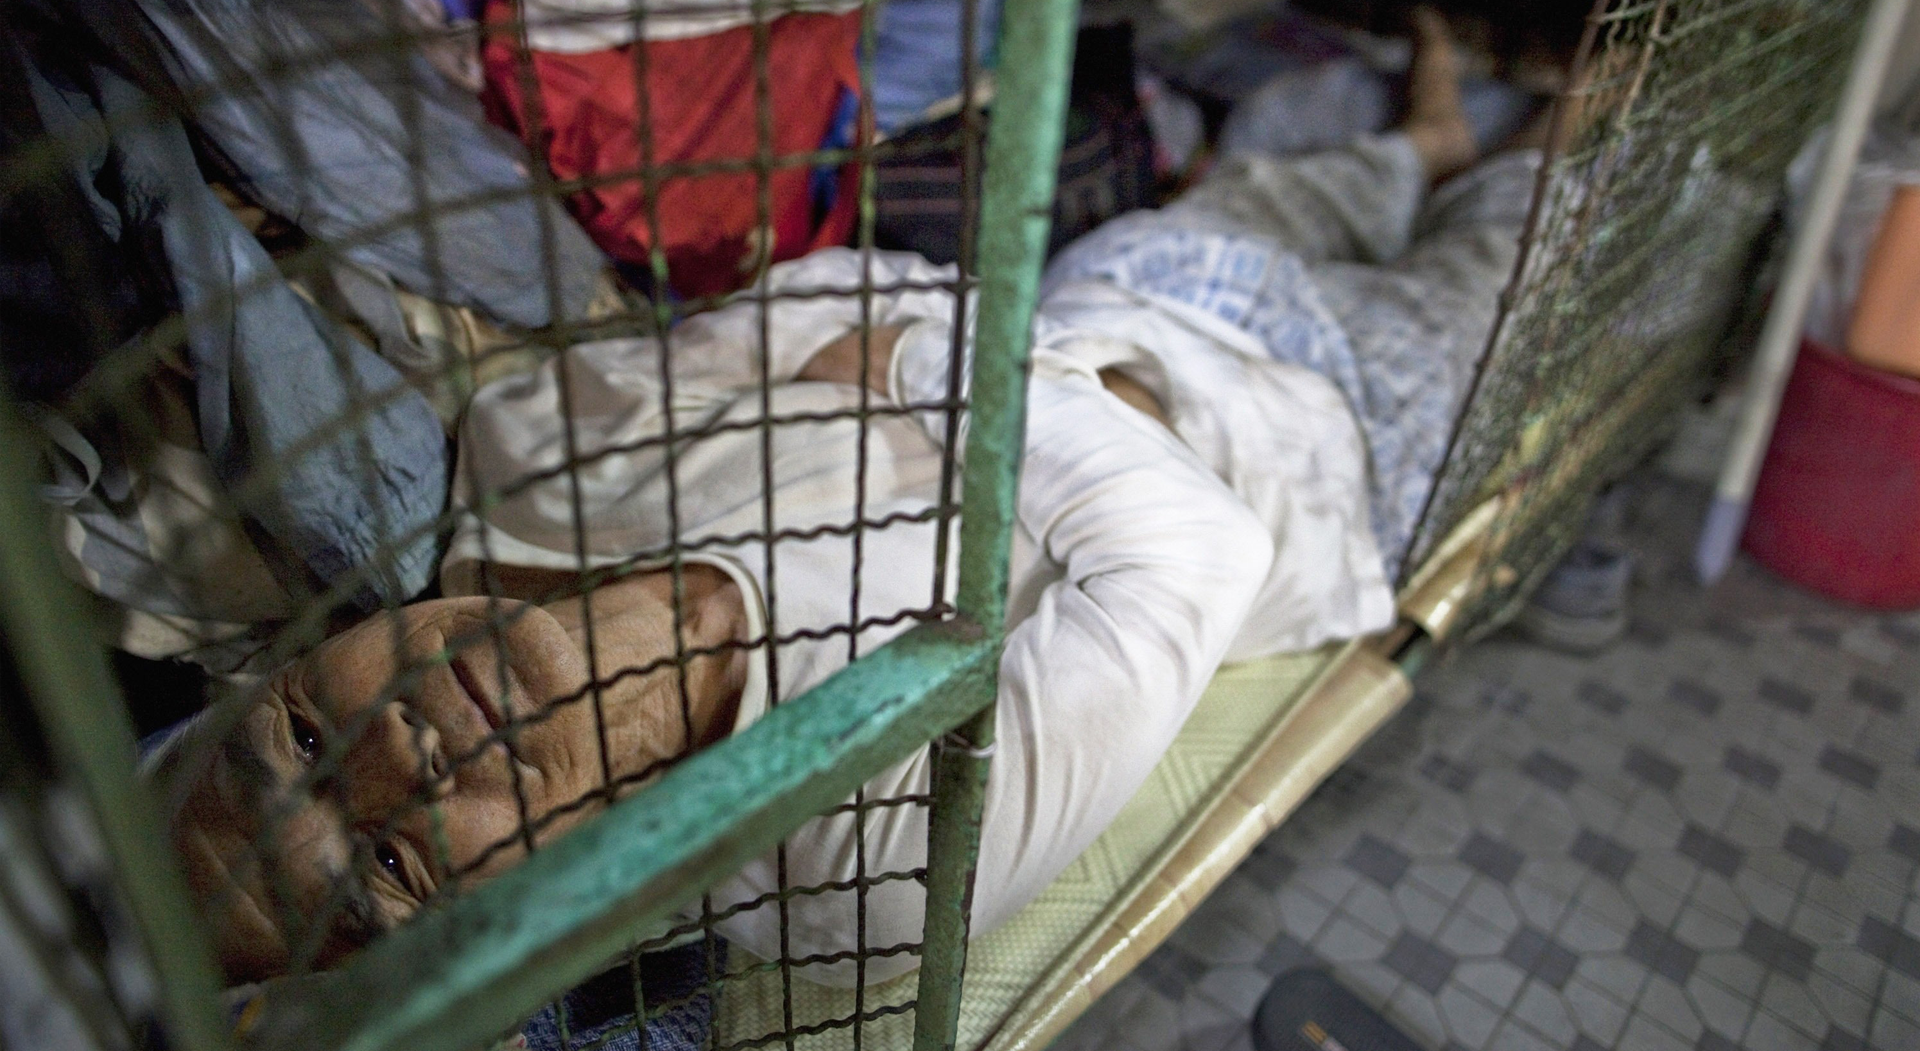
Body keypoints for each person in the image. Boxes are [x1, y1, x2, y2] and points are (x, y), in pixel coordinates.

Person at [157, 10, 1539, 991]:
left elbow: (845, 286)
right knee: (1536, 227)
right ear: (518, 925)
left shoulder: (529, 460)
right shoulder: (861, 871)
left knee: (1316, 175)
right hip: (1328, 448)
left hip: (1133, 293)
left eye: (303, 736)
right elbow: (1199, 548)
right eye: (395, 865)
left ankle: (1429, 136)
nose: (396, 753)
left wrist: (933, 350)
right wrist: (917, 365)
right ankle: (1529, 131)